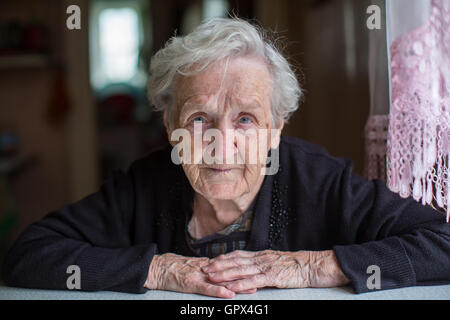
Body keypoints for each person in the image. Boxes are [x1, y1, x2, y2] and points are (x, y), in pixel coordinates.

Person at [2, 18, 449, 299]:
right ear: (169, 126)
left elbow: (442, 246)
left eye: (247, 120)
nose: (222, 141)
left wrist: (312, 266)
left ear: (276, 130)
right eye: (199, 118)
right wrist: (161, 269)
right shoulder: (145, 184)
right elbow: (28, 255)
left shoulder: (320, 180)